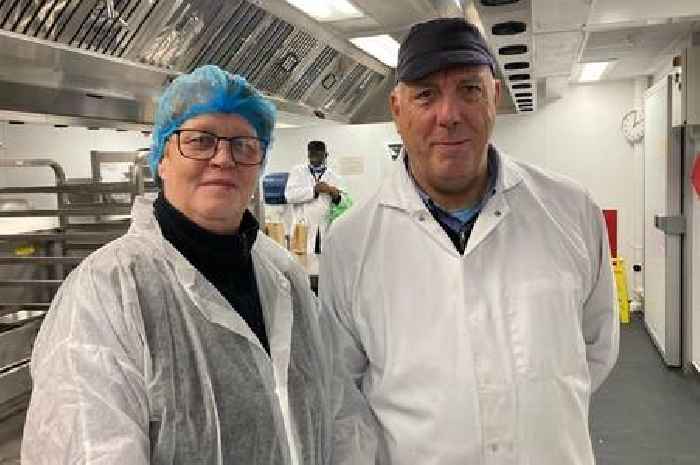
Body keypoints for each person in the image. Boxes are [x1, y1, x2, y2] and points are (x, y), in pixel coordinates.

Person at [22, 65, 381, 465]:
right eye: (200, 140)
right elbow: (86, 452)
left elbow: (341, 419)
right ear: (161, 158)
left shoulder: (284, 276)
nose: (224, 159)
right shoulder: (106, 292)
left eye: (244, 144)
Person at [319, 18, 619, 465]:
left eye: (469, 90)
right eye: (426, 94)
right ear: (397, 110)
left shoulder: (570, 210)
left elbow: (596, 348)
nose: (449, 114)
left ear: (494, 97)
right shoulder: (351, 243)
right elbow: (342, 394)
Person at [285, 141, 344, 256]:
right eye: (311, 154)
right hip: (302, 227)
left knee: (322, 264)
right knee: (301, 263)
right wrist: (314, 190)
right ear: (308, 155)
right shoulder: (298, 171)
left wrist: (333, 192)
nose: (314, 158)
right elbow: (289, 195)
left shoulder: (333, 176)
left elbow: (342, 201)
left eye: (318, 154)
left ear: (325, 155)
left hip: (324, 228)